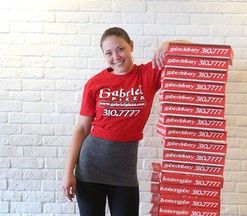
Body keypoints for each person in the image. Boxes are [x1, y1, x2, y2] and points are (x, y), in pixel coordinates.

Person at [61, 27, 189, 216]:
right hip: (90, 168)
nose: (116, 57)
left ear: (131, 46)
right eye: (109, 53)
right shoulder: (95, 83)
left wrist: (169, 45)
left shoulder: (148, 74)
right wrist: (67, 172)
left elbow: (194, 51)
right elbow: (81, 129)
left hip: (124, 172)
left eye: (121, 49)